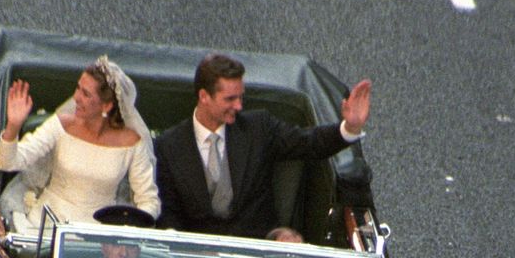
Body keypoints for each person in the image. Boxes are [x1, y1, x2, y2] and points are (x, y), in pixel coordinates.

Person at [154, 53, 371, 238]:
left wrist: (348, 128)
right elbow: (169, 217)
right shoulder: (169, 147)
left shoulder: (259, 128)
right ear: (204, 96)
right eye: (230, 99)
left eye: (241, 97)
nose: (239, 106)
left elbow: (309, 142)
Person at [0, 56, 160, 232]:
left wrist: (129, 229)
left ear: (106, 106)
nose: (76, 97)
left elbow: (148, 200)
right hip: (45, 227)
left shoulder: (132, 142)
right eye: (78, 88)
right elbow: (7, 162)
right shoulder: (61, 125)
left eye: (86, 94)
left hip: (99, 236)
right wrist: (13, 126)